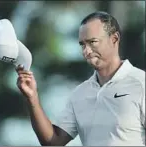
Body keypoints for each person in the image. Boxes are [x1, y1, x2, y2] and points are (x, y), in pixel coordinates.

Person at [16, 11, 145, 146]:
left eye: (92, 42)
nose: (86, 51)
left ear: (114, 39)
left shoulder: (141, 84)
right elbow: (53, 142)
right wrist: (32, 97)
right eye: (82, 44)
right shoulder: (80, 93)